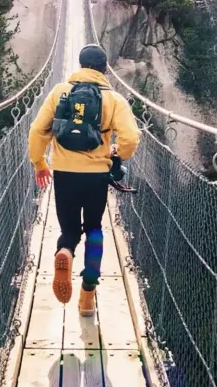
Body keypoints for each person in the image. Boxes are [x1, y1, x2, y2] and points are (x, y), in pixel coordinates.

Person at [27, 44, 140, 316]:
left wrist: (40, 163)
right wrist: (116, 154)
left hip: (64, 174)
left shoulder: (59, 92)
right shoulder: (114, 99)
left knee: (69, 230)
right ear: (104, 69)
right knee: (94, 230)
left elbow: (37, 130)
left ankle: (64, 250)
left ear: (79, 65)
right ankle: (87, 295)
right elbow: (131, 138)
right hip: (96, 177)